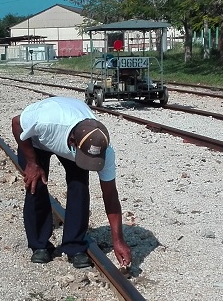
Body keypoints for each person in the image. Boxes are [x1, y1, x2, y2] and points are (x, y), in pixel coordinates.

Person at [11, 96, 132, 269]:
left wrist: (118, 240)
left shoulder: (101, 147)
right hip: (36, 141)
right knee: (36, 185)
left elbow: (111, 195)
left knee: (80, 186)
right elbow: (16, 124)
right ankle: (39, 245)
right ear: (72, 142)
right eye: (86, 157)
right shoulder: (46, 122)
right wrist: (32, 163)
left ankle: (75, 245)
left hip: (72, 135)